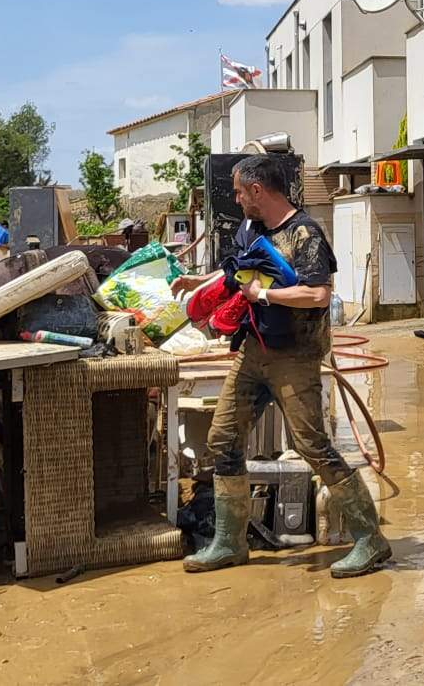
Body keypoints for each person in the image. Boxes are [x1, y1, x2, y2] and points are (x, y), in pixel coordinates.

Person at [167, 154, 391, 578]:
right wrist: (201, 282)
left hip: (295, 358)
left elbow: (318, 295)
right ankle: (229, 542)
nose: (236, 199)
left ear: (258, 190)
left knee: (312, 446)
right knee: (223, 439)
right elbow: (240, 273)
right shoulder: (254, 229)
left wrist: (265, 296)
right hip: (255, 352)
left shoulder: (304, 233)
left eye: (239, 192)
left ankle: (370, 539)